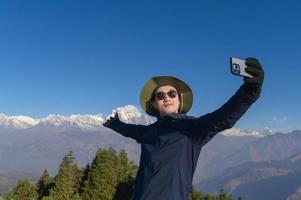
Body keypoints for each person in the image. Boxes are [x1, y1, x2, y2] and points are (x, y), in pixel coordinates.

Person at [103, 58, 264, 200]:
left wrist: (248, 93)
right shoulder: (149, 131)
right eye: (160, 95)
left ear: (179, 100)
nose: (167, 97)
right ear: (154, 104)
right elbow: (132, 130)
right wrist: (115, 124)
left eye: (172, 93)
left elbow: (221, 119)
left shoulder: (191, 129)